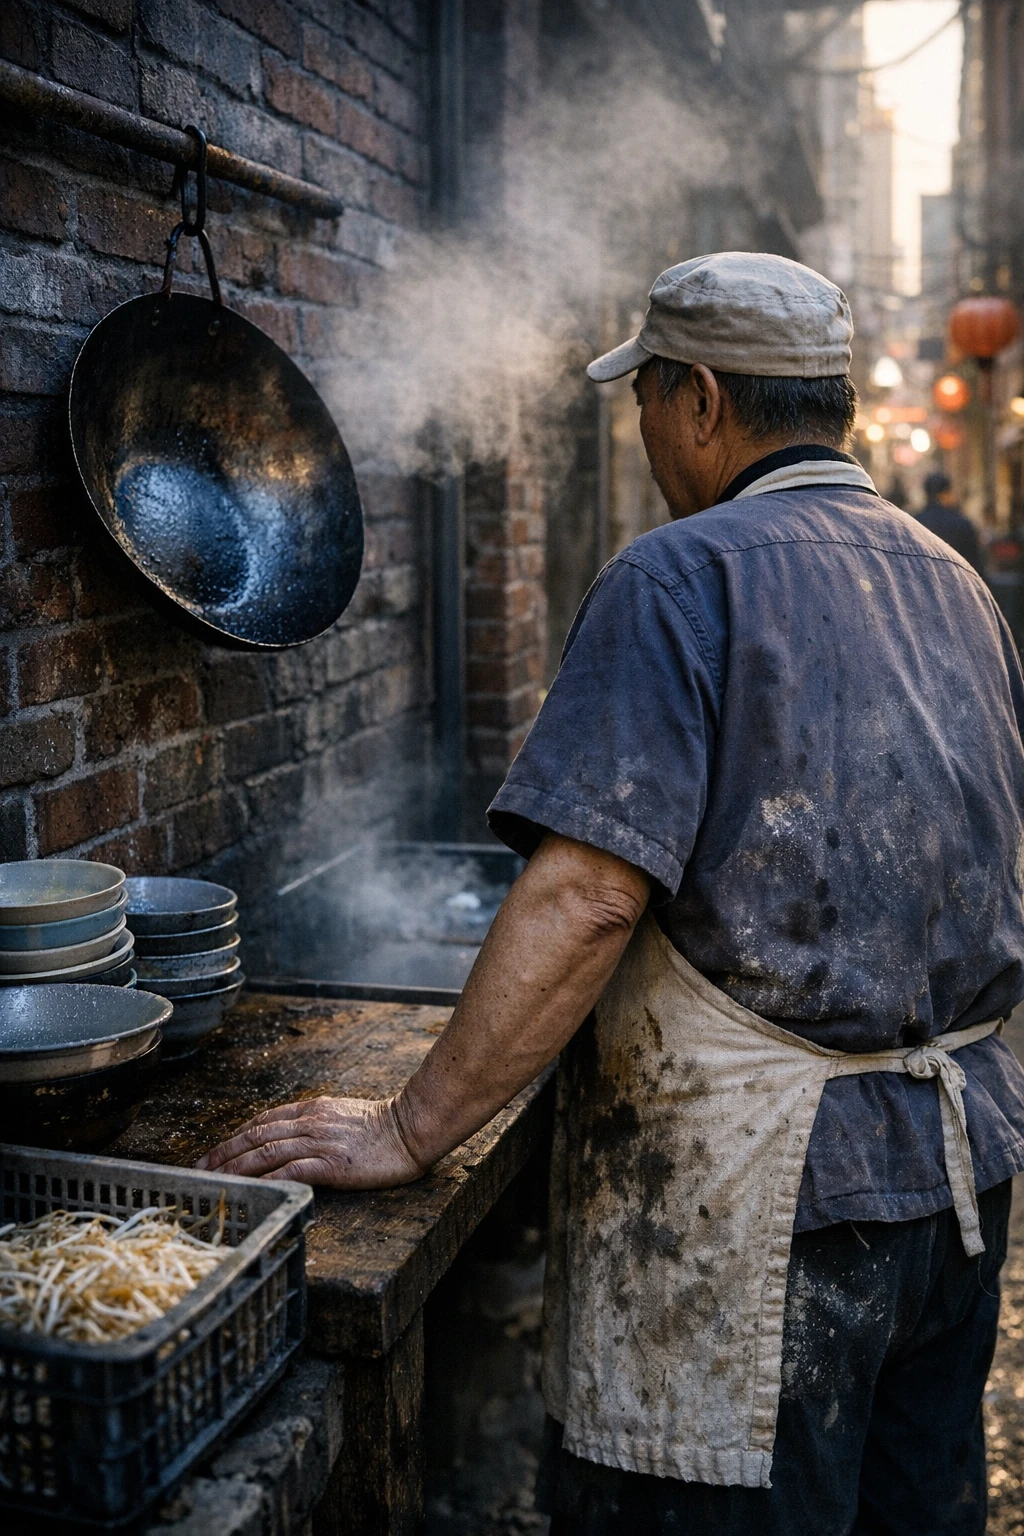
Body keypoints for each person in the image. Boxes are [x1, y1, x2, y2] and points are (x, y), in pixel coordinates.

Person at [199, 252, 1024, 1535]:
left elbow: (585, 897)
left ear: (696, 396)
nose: (639, 431)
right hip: (959, 1185)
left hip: (773, 1211)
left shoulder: (678, 577)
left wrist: (413, 1129)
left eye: (641, 397)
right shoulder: (958, 584)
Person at [917, 469, 983, 573]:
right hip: (957, 581)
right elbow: (974, 563)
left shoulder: (915, 522)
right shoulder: (962, 523)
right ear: (946, 493)